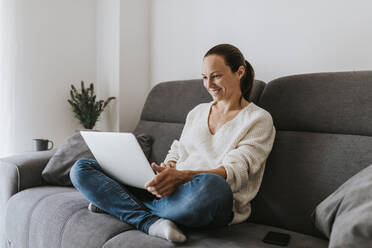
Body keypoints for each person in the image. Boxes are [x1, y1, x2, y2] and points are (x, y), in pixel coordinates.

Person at [70, 44, 276, 243]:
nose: (209, 84)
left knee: (213, 187)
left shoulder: (258, 119)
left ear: (239, 72)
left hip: (206, 198)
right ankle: (149, 221)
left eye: (216, 76)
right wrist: (168, 168)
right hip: (171, 193)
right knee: (81, 168)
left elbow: (236, 173)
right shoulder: (197, 112)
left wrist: (181, 177)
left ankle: (115, 202)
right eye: (205, 77)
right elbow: (178, 150)